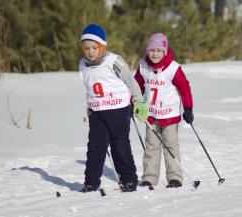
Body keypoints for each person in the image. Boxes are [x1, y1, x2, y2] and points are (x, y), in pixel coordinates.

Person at [78, 24, 148, 192]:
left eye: (95, 47)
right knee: (95, 148)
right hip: (97, 113)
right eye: (86, 48)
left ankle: (129, 179)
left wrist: (138, 102)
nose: (90, 51)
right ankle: (91, 182)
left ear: (102, 46)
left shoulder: (114, 61)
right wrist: (89, 107)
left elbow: (131, 82)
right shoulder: (82, 65)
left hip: (118, 111)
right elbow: (90, 88)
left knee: (120, 146)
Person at [134, 33, 194, 188]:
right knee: (151, 148)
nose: (155, 54)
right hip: (151, 116)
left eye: (159, 51)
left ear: (165, 51)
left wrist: (188, 107)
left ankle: (175, 177)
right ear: (148, 51)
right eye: (152, 50)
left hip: (169, 116)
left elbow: (184, 87)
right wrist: (132, 103)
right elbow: (136, 87)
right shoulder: (143, 66)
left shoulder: (173, 68)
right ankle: (149, 178)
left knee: (170, 146)